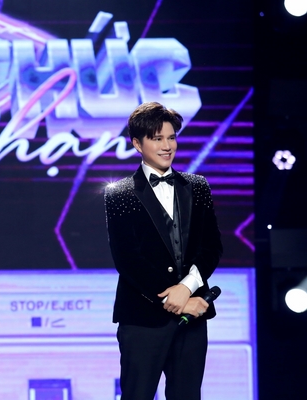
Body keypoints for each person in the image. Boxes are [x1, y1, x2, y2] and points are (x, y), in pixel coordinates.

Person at [104, 102, 222, 400]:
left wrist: (187, 288)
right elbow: (127, 258)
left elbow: (212, 246)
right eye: (157, 139)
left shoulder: (197, 186)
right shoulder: (119, 193)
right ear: (137, 144)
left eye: (171, 138)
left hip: (192, 317)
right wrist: (174, 299)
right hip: (142, 319)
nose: (167, 146)